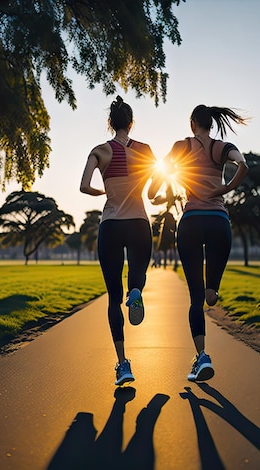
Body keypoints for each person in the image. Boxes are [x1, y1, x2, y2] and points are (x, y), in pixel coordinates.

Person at [149, 104, 249, 382]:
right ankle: (213, 291)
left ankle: (202, 356)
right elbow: (243, 165)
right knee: (209, 294)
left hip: (191, 223)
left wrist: (156, 193)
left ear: (192, 124)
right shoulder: (222, 147)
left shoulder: (182, 146)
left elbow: (158, 178)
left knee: (195, 299)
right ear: (212, 124)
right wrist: (225, 188)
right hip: (219, 223)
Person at [80, 96, 157, 386]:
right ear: (132, 122)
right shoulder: (147, 151)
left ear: (111, 123)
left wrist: (103, 193)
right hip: (139, 222)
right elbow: (157, 183)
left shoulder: (100, 150)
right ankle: (135, 291)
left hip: (111, 224)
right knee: (137, 275)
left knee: (113, 297)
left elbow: (84, 185)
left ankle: (123, 364)